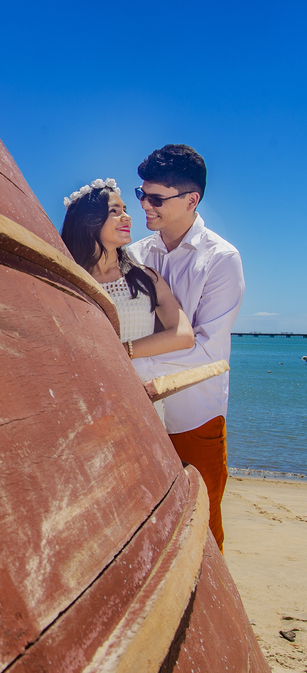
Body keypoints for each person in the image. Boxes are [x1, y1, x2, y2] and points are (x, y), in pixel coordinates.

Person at [128, 145, 244, 551]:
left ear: (191, 199)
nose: (145, 205)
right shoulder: (135, 254)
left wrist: (124, 358)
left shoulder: (222, 259)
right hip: (139, 413)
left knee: (204, 528)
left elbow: (209, 352)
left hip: (196, 415)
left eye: (156, 198)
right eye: (142, 194)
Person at [60, 177, 193, 368]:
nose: (127, 217)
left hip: (139, 390)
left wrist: (122, 351)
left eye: (125, 210)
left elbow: (183, 335)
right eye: (114, 211)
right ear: (88, 222)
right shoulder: (69, 281)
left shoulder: (147, 278)